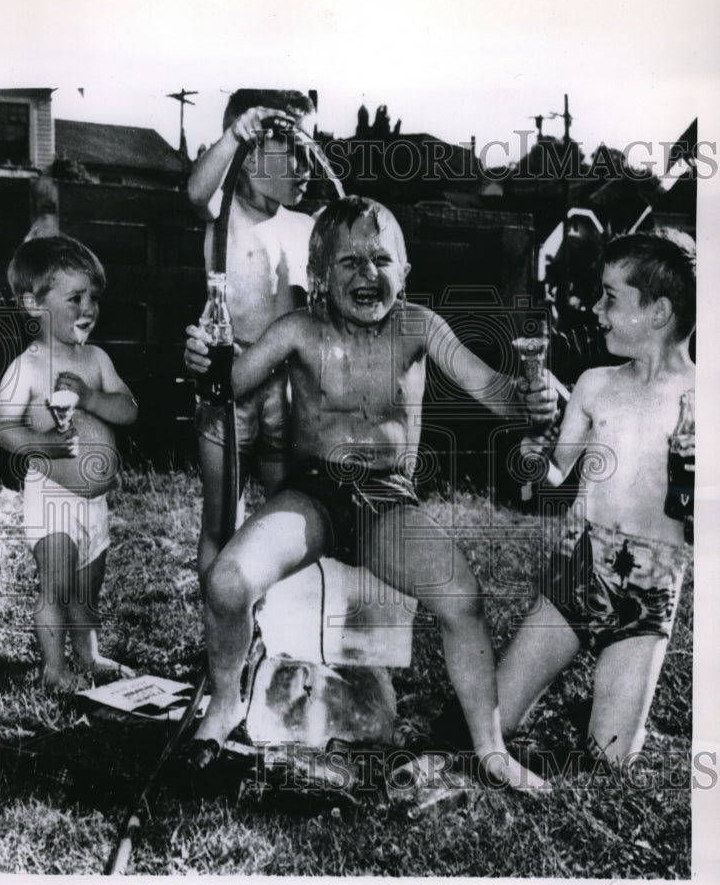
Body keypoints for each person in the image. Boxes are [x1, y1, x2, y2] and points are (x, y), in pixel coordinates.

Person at [184, 196, 556, 789]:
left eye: (382, 259)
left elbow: (494, 391)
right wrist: (202, 358)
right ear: (319, 277)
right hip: (312, 496)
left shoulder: (417, 326)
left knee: (461, 597)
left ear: (404, 273)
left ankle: (490, 748)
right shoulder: (298, 331)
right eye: (349, 262)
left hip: (387, 498)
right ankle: (225, 701)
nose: (367, 274)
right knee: (228, 581)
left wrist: (531, 398)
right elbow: (222, 388)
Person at [497, 231, 695, 766]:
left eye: (611, 297)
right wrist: (534, 440)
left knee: (608, 762)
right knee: (490, 719)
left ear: (658, 313)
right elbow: (548, 486)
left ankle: (605, 705)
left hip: (649, 590)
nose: (595, 308)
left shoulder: (703, 400)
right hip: (578, 565)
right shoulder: (594, 384)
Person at [185, 88, 317, 589]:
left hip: (286, 387)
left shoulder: (305, 227)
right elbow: (197, 191)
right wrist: (235, 134)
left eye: (313, 148)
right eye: (294, 150)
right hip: (227, 378)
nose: (307, 163)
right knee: (222, 517)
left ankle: (273, 625)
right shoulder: (223, 213)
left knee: (286, 512)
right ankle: (220, 632)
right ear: (249, 156)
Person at [0, 235, 138, 690]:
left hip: (94, 504)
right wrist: (44, 447)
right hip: (52, 498)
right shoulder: (27, 366)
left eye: (93, 297)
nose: (89, 308)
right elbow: (1, 428)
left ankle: (88, 654)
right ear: (32, 305)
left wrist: (92, 396)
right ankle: (54, 668)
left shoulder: (96, 359)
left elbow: (129, 409)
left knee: (87, 587)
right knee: (56, 584)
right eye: (74, 297)